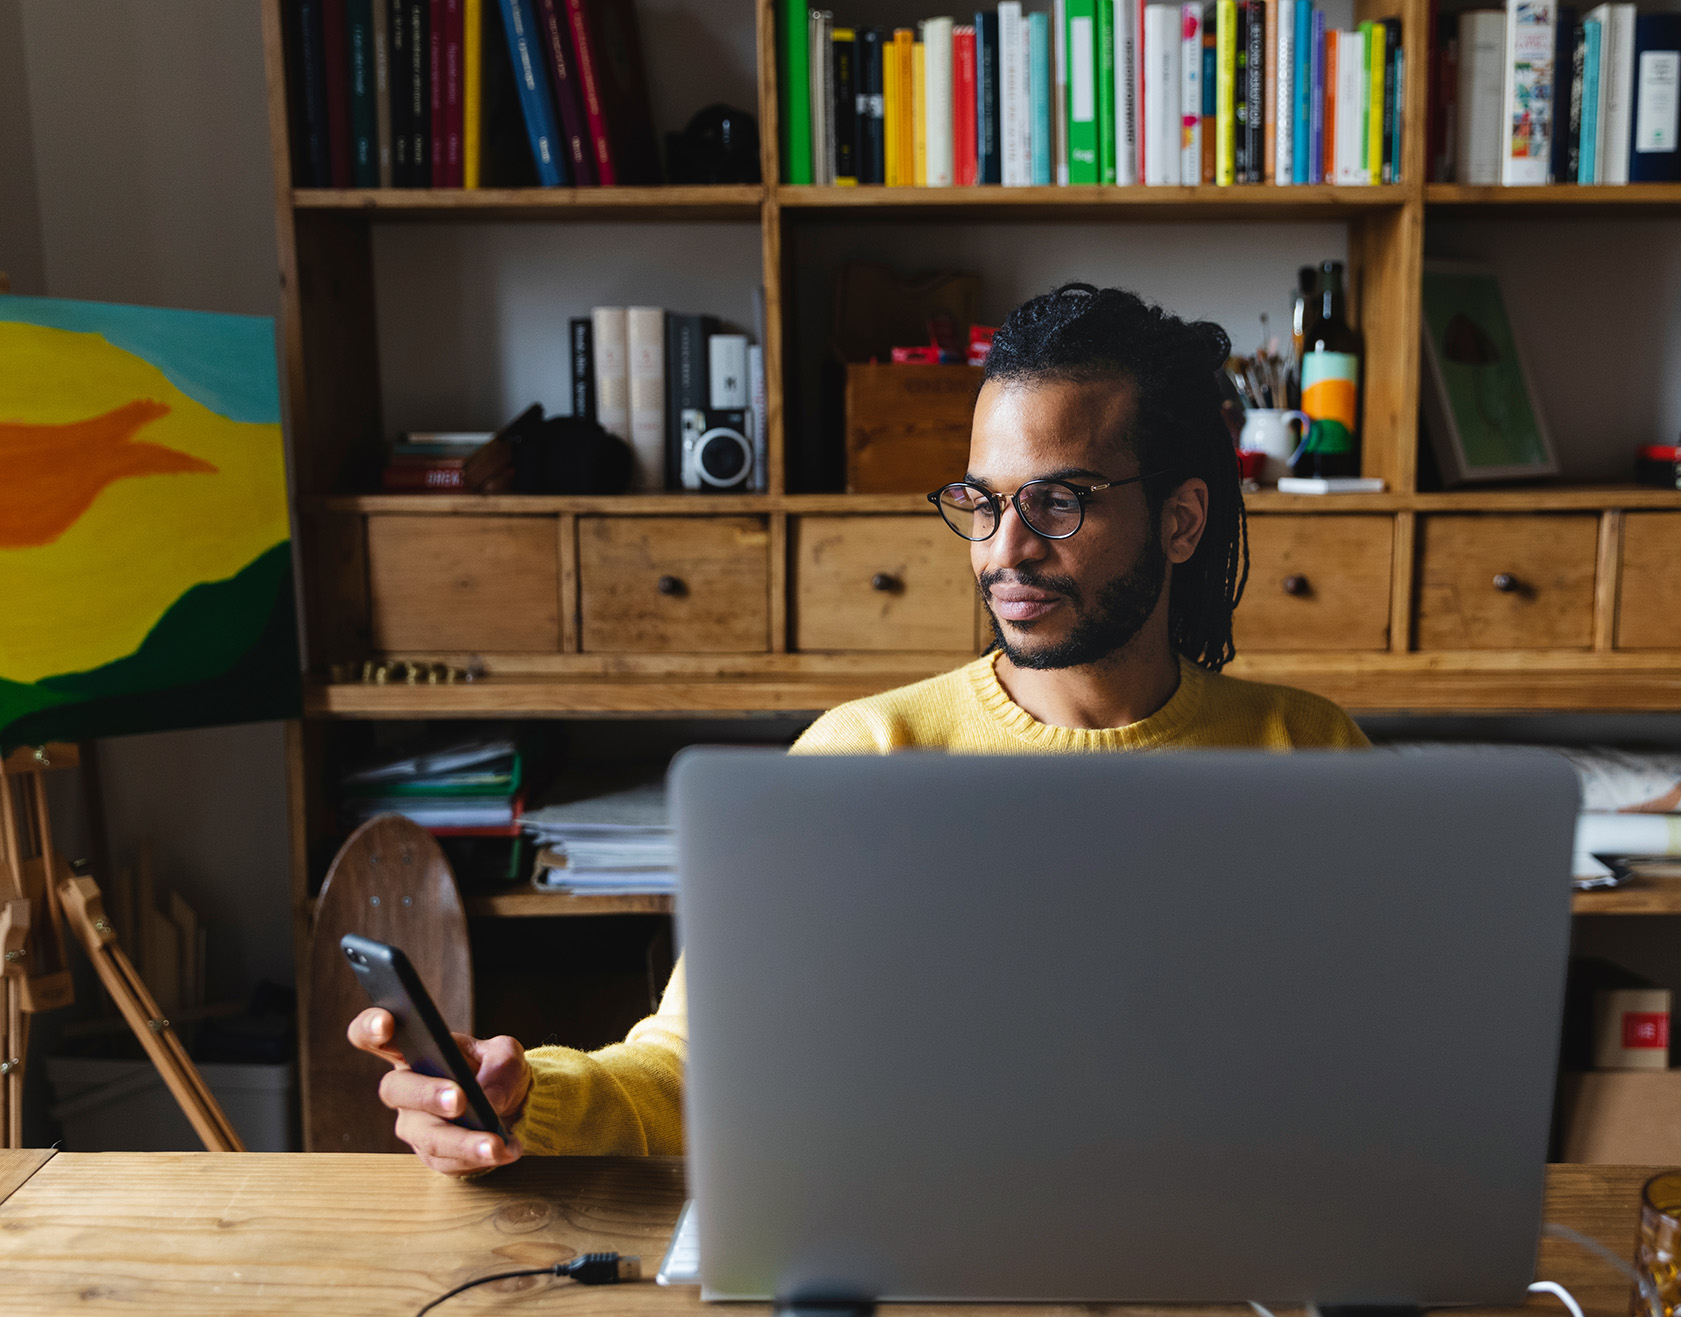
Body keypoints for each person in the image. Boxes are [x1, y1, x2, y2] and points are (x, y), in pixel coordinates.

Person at [349, 283, 1369, 1175]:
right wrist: (526, 1096)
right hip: (922, 1264)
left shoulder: (1312, 757)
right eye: (982, 501)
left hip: (1228, 1252)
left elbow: (1386, 1064)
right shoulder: (859, 757)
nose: (1003, 551)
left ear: (1182, 521)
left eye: (1057, 503)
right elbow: (696, 1064)